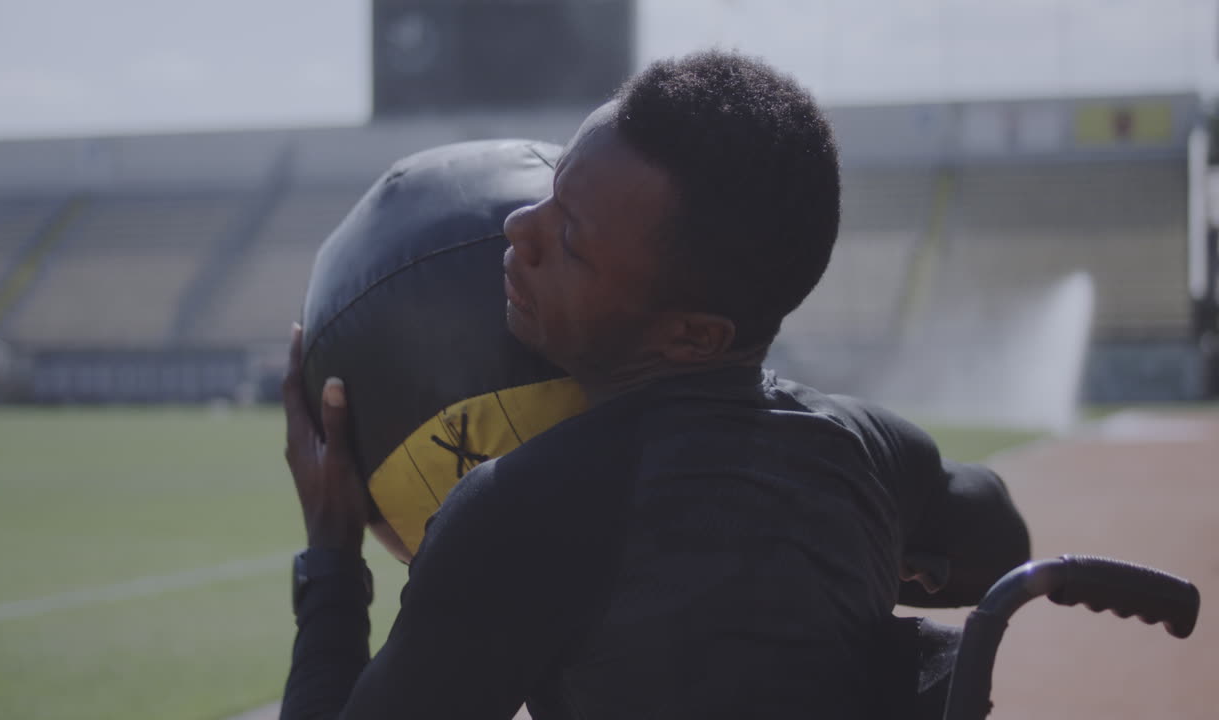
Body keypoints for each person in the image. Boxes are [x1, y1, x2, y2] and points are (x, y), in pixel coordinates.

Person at [280, 50, 1028, 719]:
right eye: (549, 190)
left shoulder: (526, 513)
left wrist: (331, 554)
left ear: (692, 335)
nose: (517, 228)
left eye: (569, 239)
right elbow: (997, 535)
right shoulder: (864, 452)